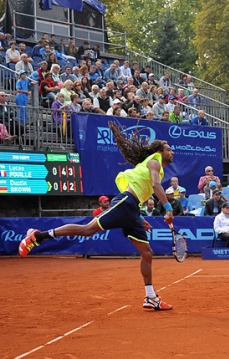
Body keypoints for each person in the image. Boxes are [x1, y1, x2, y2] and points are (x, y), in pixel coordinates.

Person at [19, 122, 176, 310]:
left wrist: (139, 218)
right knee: (87, 230)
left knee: (147, 253)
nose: (171, 152)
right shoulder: (154, 161)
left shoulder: (157, 167)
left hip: (132, 208)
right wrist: (168, 208)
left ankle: (150, 297)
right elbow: (156, 186)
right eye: (168, 149)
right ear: (159, 151)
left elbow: (142, 192)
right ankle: (37, 236)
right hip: (125, 202)